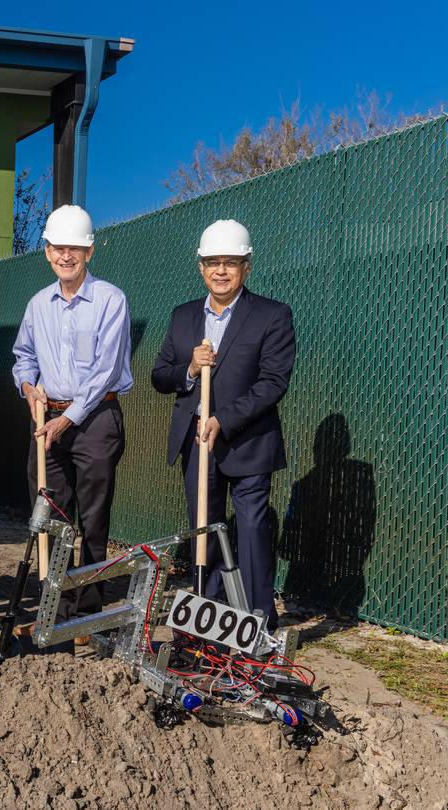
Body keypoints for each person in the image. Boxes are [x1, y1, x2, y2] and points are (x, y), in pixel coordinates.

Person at [150, 219, 295, 629]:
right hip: (196, 441)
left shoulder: (271, 315)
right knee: (205, 528)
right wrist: (191, 369)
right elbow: (161, 376)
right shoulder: (182, 317)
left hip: (248, 441)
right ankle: (211, 617)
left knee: (251, 527)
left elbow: (272, 383)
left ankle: (258, 621)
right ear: (200, 267)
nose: (221, 270)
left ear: (246, 266)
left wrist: (223, 418)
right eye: (212, 262)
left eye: (230, 262)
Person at [11, 204, 132, 629]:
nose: (66, 256)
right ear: (46, 252)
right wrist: (27, 387)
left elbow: (106, 371)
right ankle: (55, 612)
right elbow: (23, 356)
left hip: (96, 419)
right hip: (48, 419)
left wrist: (68, 420)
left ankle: (88, 614)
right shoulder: (38, 305)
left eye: (75, 249)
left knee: (93, 520)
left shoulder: (110, 299)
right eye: (58, 248)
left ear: (90, 252)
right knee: (51, 517)